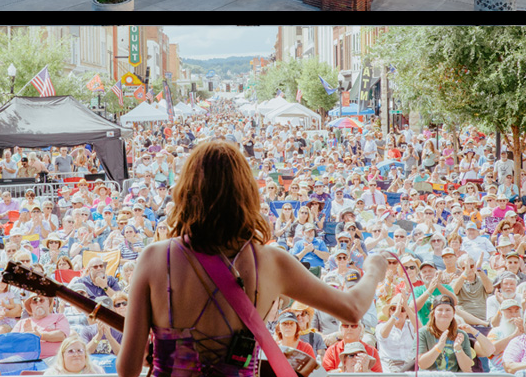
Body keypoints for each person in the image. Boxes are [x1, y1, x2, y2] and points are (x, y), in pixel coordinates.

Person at [115, 140, 387, 377]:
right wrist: (374, 268)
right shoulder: (272, 262)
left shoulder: (154, 258)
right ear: (247, 194)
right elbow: (352, 309)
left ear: (186, 192)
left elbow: (127, 369)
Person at [417, 295, 474, 372]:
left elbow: (467, 369)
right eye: (440, 310)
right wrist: (439, 347)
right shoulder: (423, 333)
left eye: (448, 310)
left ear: (453, 313)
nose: (444, 313)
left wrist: (458, 349)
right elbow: (422, 364)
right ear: (433, 313)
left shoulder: (461, 334)